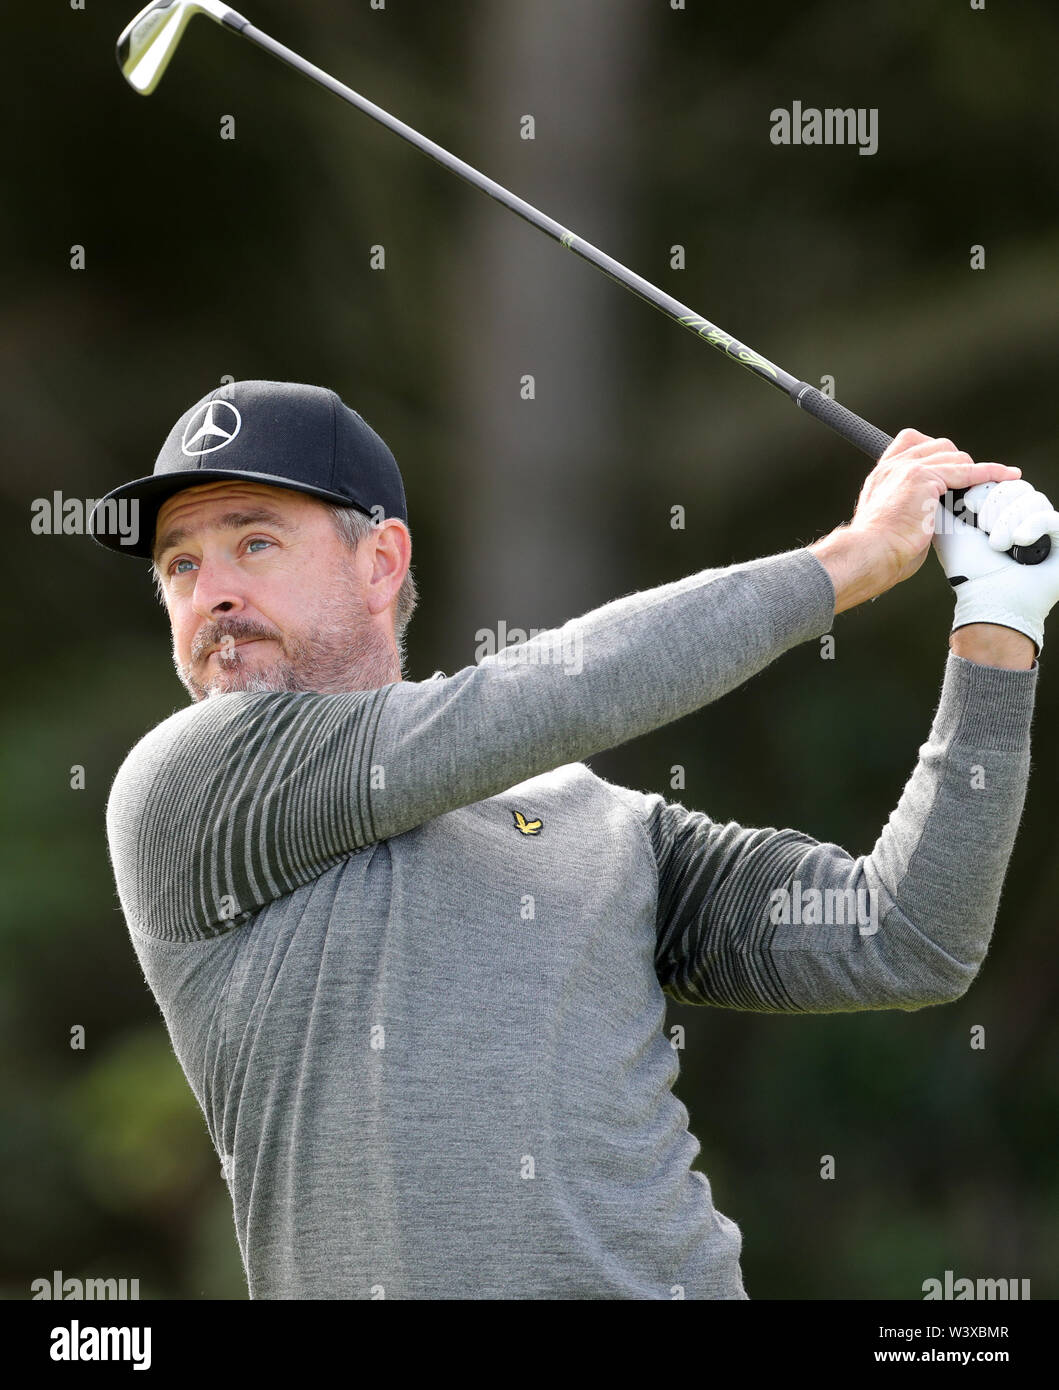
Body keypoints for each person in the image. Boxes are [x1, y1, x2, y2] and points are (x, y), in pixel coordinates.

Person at [90, 378, 1055, 1300]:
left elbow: (901, 940)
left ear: (380, 562)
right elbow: (552, 691)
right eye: (180, 564)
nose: (209, 592)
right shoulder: (188, 785)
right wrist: (850, 561)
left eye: (252, 543)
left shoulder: (606, 824)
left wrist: (997, 620)